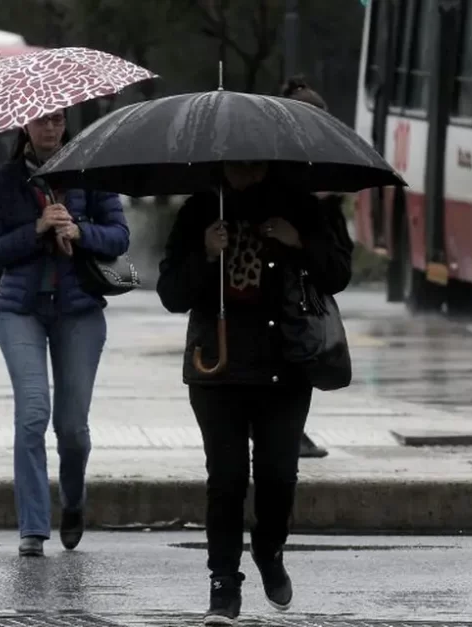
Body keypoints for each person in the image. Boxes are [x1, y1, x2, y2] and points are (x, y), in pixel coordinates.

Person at [156, 161, 353, 625]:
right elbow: (171, 293)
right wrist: (205, 253)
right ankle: (223, 583)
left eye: (255, 160)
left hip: (285, 366)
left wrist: (299, 241)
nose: (246, 168)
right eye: (236, 160)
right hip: (217, 366)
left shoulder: (300, 206)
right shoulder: (200, 209)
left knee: (278, 474)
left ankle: (269, 549)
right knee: (225, 480)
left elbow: (338, 273)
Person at [0, 109, 131, 557]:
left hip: (79, 310)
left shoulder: (90, 173)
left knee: (72, 429)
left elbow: (119, 236)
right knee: (32, 415)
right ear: (24, 126)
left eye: (58, 120)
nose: (50, 128)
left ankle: (74, 500)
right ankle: (32, 527)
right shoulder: (5, 182)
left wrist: (78, 230)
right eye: (41, 121)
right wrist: (38, 229)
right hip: (20, 310)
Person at [280, 75, 354, 460]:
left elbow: (339, 272)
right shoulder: (251, 183)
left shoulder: (325, 199)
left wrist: (303, 241)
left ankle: (293, 430)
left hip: (300, 316)